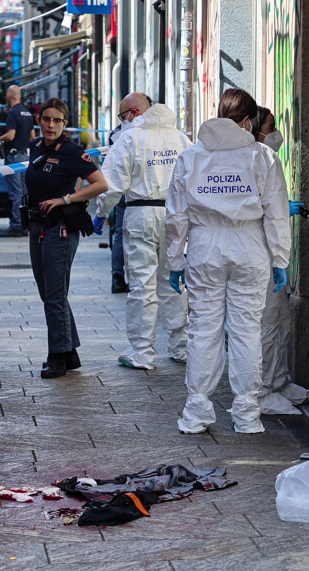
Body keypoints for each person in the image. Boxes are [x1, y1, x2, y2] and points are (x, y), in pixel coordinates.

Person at [165, 88, 290, 434]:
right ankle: (247, 415)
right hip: (250, 245)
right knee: (246, 330)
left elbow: (176, 217)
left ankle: (197, 412)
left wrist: (175, 262)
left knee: (203, 330)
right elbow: (277, 214)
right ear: (248, 121)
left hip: (205, 245)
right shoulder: (262, 157)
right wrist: (281, 259)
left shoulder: (191, 157)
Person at [95, 93, 191, 370]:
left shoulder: (129, 138)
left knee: (141, 284)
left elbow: (111, 184)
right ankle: (180, 346)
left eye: (122, 116)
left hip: (141, 213)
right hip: (175, 215)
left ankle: (142, 352)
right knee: (173, 280)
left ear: (134, 113)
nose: (122, 122)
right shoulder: (179, 137)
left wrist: (101, 213)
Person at [22, 97, 108, 378]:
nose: (50, 125)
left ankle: (56, 356)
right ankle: (69, 352)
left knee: (55, 294)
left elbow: (101, 184)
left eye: (57, 120)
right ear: (39, 121)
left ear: (64, 123)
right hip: (37, 226)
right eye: (46, 119)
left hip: (59, 230)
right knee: (49, 293)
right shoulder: (36, 147)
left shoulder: (72, 152)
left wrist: (66, 199)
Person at [252, 107, 309, 416]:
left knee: (279, 319)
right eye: (270, 126)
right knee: (266, 323)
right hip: (258, 252)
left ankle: (279, 383)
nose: (276, 131)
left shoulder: (265, 159)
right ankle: (263, 391)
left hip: (267, 251)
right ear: (254, 128)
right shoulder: (253, 159)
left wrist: (281, 207)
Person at [0, 85, 35, 237]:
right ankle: (26, 224)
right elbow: (32, 137)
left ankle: (16, 225)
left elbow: (10, 136)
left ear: (9, 96)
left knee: (16, 193)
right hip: (25, 157)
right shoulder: (27, 113)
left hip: (13, 156)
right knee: (24, 192)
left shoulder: (12, 113)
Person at [106, 122, 129, 294]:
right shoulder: (145, 132)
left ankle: (118, 277)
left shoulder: (116, 134)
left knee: (120, 233)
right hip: (139, 193)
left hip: (121, 189)